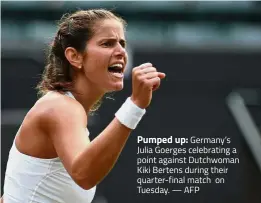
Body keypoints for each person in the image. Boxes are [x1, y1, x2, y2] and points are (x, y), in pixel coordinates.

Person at [1, 9, 165, 203]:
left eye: (122, 43)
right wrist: (135, 105)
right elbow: (84, 174)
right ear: (75, 56)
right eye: (107, 43)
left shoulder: (65, 107)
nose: (121, 51)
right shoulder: (60, 107)